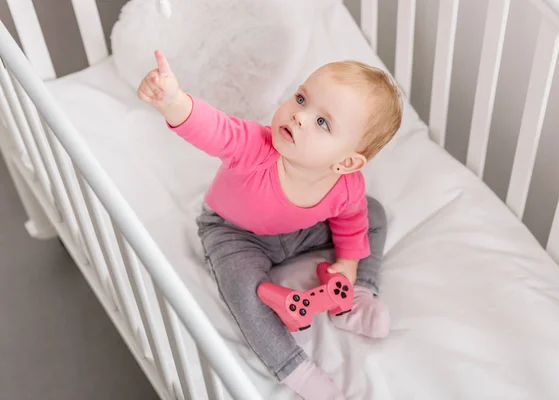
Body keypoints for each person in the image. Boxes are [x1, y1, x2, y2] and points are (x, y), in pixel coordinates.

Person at [137, 50, 403, 400]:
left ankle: (356, 298)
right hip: (234, 231)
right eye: (302, 98)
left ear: (347, 162)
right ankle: (296, 369)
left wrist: (350, 264)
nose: (299, 116)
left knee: (373, 215)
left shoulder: (347, 186)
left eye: (322, 123)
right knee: (245, 292)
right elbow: (214, 129)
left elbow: (351, 221)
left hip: (302, 232)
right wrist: (173, 101)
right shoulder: (255, 147)